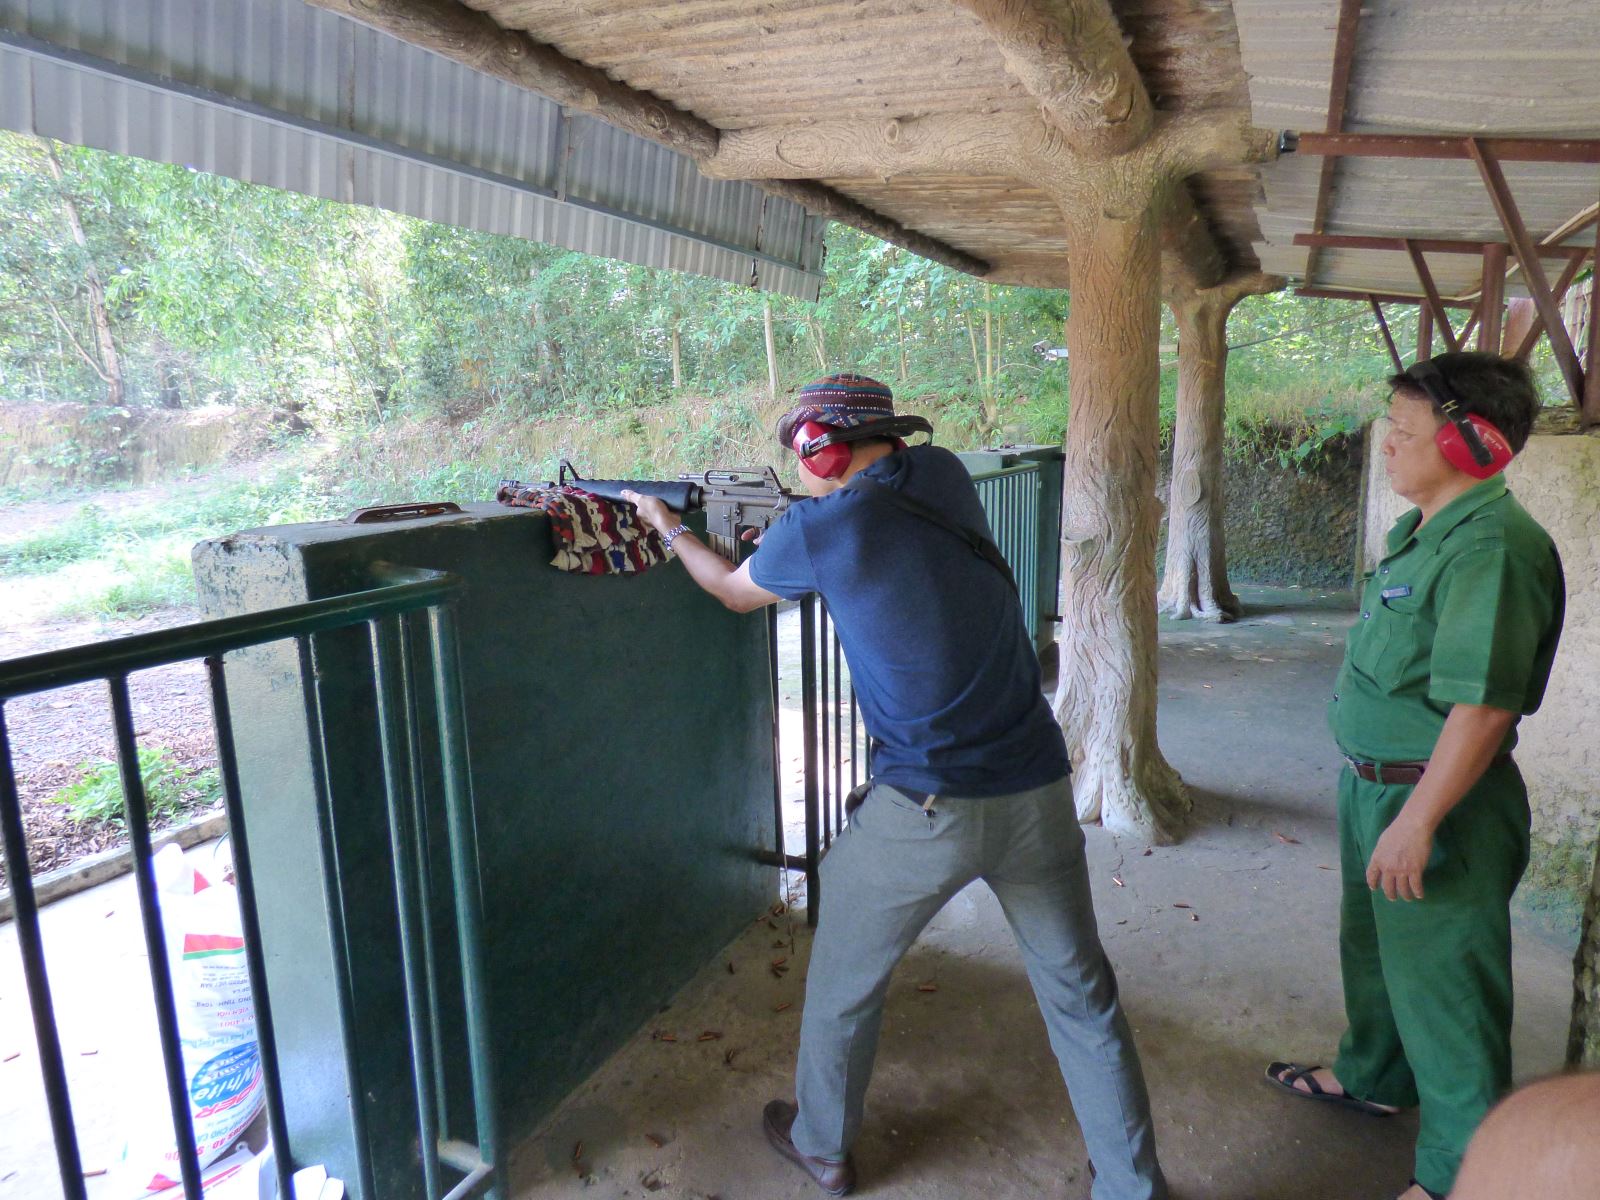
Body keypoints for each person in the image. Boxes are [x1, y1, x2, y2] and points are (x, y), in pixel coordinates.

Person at [623, 372, 1166, 1199]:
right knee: (1082, 996)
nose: (799, 466)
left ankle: (822, 1144)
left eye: (802, 450)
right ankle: (1132, 1183)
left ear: (823, 448)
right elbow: (882, 546)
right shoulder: (940, 477)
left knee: (844, 982)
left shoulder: (826, 525)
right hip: (1037, 787)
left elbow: (735, 593)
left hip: (927, 803)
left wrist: (668, 528)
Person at [1264, 352, 1566, 1200]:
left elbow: (1483, 711)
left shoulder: (1494, 551)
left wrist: (1420, 820)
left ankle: (1461, 1174)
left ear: (1474, 445)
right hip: (1375, 789)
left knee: (1449, 1000)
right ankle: (1374, 1078)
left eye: (1403, 431)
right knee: (1375, 957)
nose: (1386, 445)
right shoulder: (1422, 533)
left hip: (1440, 805)